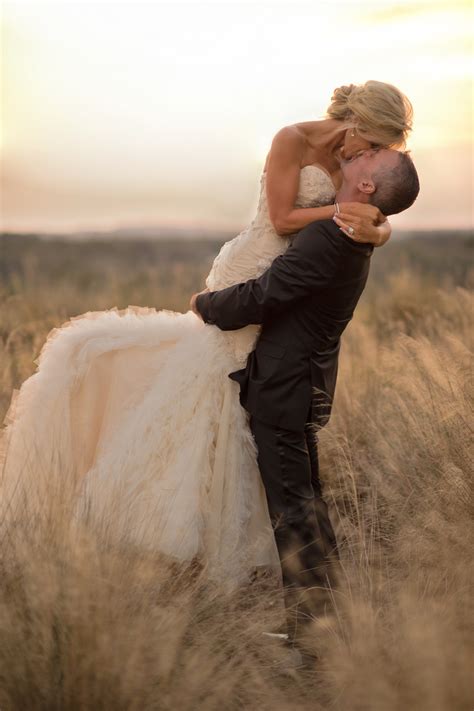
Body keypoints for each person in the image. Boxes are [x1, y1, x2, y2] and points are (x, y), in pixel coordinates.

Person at [0, 81, 413, 589]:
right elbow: (284, 219)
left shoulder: (362, 168)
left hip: (288, 288)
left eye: (380, 152)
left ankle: (235, 553)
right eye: (371, 144)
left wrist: (378, 228)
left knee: (247, 405)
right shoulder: (293, 140)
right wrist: (341, 214)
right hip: (254, 271)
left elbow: (379, 206)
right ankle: (156, 525)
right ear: (357, 122)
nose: (371, 155)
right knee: (214, 391)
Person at [191, 147, 420, 646]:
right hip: (303, 383)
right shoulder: (353, 236)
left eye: (371, 157)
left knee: (293, 512)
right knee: (306, 505)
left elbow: (261, 297)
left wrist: (204, 304)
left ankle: (312, 637)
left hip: (285, 387)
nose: (358, 155)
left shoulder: (328, 238)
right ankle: (328, 619)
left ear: (366, 188)